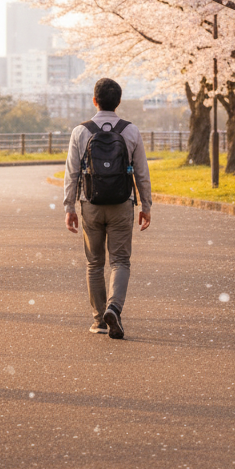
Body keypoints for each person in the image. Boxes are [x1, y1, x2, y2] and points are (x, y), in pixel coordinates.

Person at [64, 77, 152, 339]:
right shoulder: (131, 131)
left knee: (94, 263)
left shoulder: (80, 132)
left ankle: (99, 320)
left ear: (95, 101)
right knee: (120, 261)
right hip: (122, 204)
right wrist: (146, 205)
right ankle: (114, 307)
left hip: (90, 204)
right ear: (118, 102)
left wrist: (69, 207)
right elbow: (142, 173)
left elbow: (72, 174)